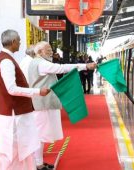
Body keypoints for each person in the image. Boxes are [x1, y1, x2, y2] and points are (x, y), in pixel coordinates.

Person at [28, 41, 96, 170]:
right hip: (42, 104)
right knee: (40, 135)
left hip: (42, 103)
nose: (51, 51)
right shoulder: (41, 63)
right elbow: (61, 68)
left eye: (50, 49)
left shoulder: (36, 62)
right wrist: (85, 66)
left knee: (41, 134)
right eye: (47, 49)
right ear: (40, 52)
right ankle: (37, 164)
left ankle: (38, 162)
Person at [0, 29, 50, 170]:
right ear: (12, 42)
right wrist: (37, 91)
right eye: (18, 40)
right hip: (13, 114)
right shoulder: (6, 61)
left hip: (11, 112)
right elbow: (11, 89)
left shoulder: (5, 58)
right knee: (15, 148)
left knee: (17, 147)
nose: (20, 42)